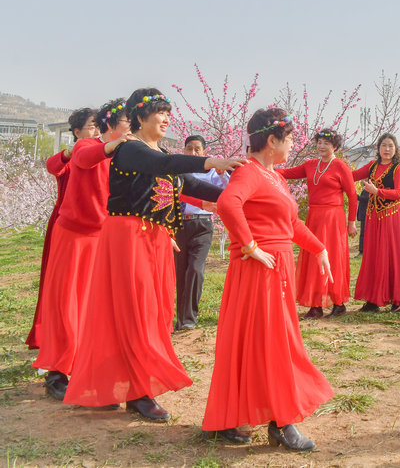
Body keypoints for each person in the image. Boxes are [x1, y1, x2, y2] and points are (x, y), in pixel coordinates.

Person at [64, 88, 244, 421]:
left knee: (156, 311)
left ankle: (116, 384)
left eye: (168, 113)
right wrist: (213, 160)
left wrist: (234, 195)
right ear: (140, 117)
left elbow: (189, 184)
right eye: (159, 112)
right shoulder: (131, 149)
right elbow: (165, 164)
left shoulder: (157, 151)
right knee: (136, 311)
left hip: (157, 239)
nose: (166, 119)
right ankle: (138, 392)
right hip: (128, 239)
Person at [202, 108, 334, 450]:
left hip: (276, 268)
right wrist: (248, 245)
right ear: (271, 140)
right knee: (276, 343)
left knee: (267, 342)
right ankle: (283, 422)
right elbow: (228, 204)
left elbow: (290, 224)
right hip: (260, 270)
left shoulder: (273, 176)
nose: (293, 144)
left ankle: (256, 417)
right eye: (289, 138)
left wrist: (318, 248)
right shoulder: (250, 171)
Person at [31, 100, 131, 401]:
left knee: (97, 306)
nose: (133, 126)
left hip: (105, 237)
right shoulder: (88, 146)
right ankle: (58, 370)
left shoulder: (128, 153)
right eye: (129, 120)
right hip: (74, 236)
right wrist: (111, 147)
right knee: (66, 302)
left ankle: (91, 368)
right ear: (111, 125)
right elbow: (82, 158)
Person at [27, 108, 100, 350]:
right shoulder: (74, 156)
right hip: (67, 226)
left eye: (99, 125)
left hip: (96, 229)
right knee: (60, 286)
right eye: (91, 126)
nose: (97, 130)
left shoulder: (104, 154)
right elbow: (53, 166)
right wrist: (69, 152)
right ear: (77, 132)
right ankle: (54, 337)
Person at [277, 129, 358, 319]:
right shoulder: (310, 164)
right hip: (314, 216)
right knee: (313, 256)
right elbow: (287, 173)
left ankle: (338, 302)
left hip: (333, 218)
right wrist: (263, 166)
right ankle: (315, 304)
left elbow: (353, 196)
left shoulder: (340, 166)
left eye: (326, 144)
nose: (322, 146)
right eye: (319, 142)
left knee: (333, 257)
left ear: (335, 146)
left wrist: (351, 222)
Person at [174, 135, 229, 331]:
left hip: (203, 226)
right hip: (180, 225)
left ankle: (189, 319)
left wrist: (223, 174)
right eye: (189, 149)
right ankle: (181, 320)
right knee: (180, 272)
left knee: (195, 270)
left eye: (197, 149)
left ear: (205, 152)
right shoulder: (178, 171)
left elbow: (226, 190)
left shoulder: (213, 172)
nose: (193, 153)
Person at [351, 134, 400, 312]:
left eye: (390, 146)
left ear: (396, 149)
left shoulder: (398, 168)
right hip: (374, 217)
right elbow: (352, 175)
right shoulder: (372, 166)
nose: (387, 149)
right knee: (374, 256)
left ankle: (397, 299)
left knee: (391, 255)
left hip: (392, 217)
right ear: (378, 148)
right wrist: (333, 169)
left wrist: (377, 191)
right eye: (383, 145)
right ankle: (373, 299)